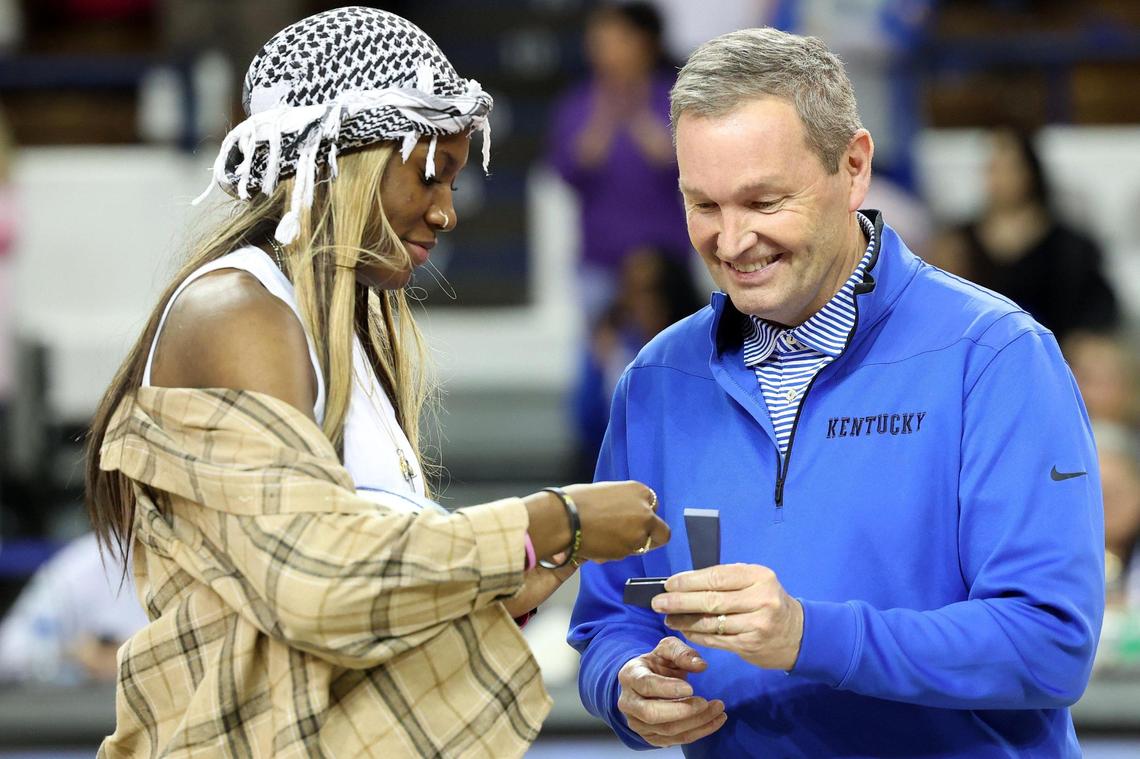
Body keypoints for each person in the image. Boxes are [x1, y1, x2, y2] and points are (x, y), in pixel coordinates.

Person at [83, 8, 669, 758]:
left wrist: (511, 578)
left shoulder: (344, 332)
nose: (446, 211)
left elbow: (351, 608)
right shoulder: (237, 310)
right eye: (430, 173)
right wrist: (555, 519)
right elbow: (318, 580)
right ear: (341, 159)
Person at [569, 28, 1104, 757]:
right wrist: (625, 682)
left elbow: (1049, 644)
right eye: (704, 205)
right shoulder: (656, 382)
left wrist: (808, 635)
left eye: (763, 201)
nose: (732, 241)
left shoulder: (994, 357)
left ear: (853, 168)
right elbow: (610, 616)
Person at [545, 1, 690, 321]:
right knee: (598, 344)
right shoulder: (578, 103)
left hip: (664, 256)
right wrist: (601, 126)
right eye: (598, 42)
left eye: (618, 41)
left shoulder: (677, 96)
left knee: (667, 343)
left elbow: (689, 165)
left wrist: (641, 120)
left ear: (645, 44)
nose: (606, 52)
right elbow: (564, 171)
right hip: (601, 257)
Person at [929, 128, 1120, 343]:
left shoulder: (1070, 246)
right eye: (993, 168)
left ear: (1030, 171)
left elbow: (1096, 308)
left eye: (1010, 168)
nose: (1000, 179)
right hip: (982, 350)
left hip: (1056, 350)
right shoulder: (959, 243)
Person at [0, 532, 148, 685]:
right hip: (102, 696)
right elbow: (10, 649)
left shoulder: (164, 559)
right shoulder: (84, 564)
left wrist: (134, 659)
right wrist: (74, 656)